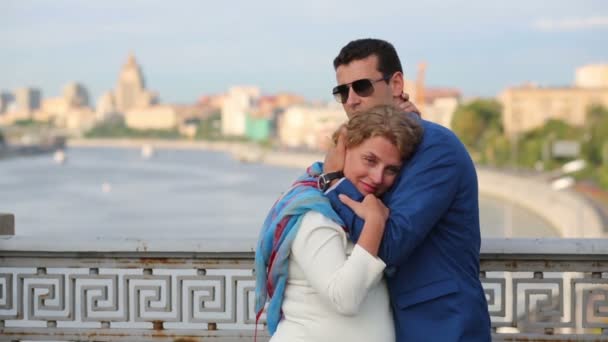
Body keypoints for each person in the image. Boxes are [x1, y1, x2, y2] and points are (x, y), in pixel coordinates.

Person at [322, 38, 491, 341]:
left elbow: (388, 244)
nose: (351, 100)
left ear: (397, 83)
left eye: (361, 86)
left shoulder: (436, 147)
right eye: (342, 91)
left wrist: (334, 181)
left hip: (444, 326)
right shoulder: (380, 148)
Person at [255, 105, 424, 342]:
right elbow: (344, 298)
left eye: (391, 169)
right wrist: (375, 223)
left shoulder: (359, 210)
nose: (377, 177)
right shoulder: (315, 214)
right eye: (369, 160)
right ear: (343, 150)